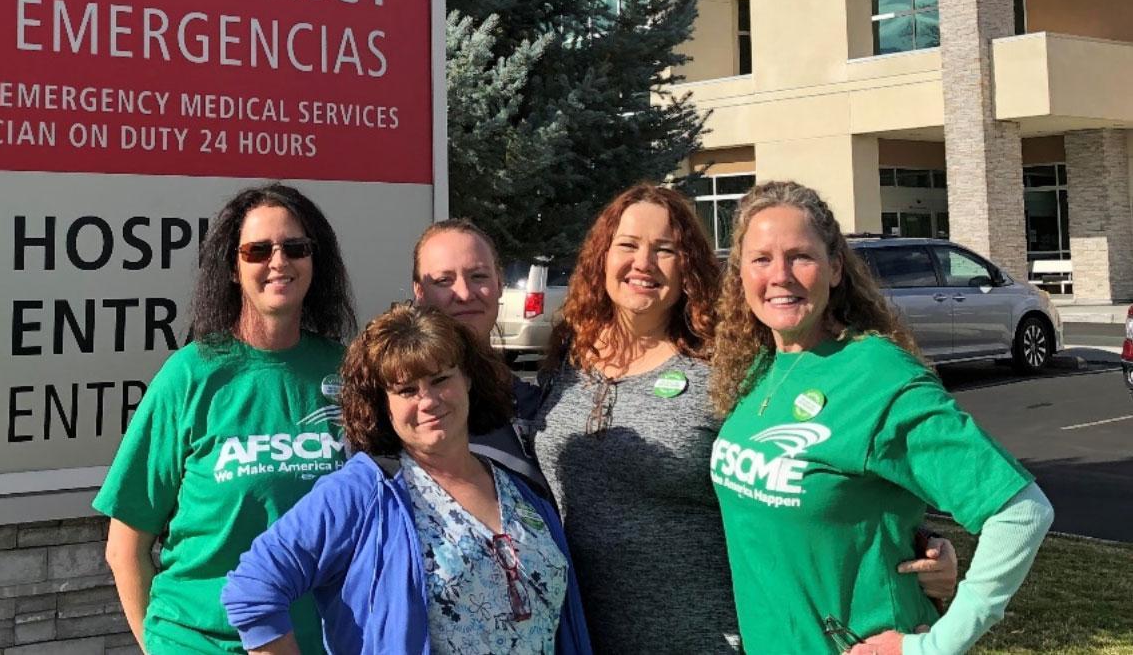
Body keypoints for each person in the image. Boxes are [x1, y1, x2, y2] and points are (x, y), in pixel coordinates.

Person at [530, 183, 960, 654]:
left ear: (689, 265)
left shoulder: (728, 364)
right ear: (602, 257)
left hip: (709, 635)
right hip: (581, 632)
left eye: (665, 250)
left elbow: (816, 467)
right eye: (628, 246)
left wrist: (921, 541)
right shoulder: (569, 356)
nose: (643, 264)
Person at [709, 181, 1053, 655]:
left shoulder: (880, 378)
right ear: (740, 274)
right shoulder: (761, 366)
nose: (780, 275)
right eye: (761, 259)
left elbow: (1020, 512)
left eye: (800, 257)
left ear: (833, 270)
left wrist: (932, 647)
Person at [221, 304, 594, 655]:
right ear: (383, 404)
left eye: (440, 379)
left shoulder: (521, 489)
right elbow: (253, 588)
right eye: (406, 390)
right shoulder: (364, 491)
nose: (428, 400)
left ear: (467, 379)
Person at [94, 183, 357, 654]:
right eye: (258, 250)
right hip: (203, 642)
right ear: (234, 268)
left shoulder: (348, 373)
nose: (278, 262)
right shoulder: (190, 375)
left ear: (315, 262)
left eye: (295, 248)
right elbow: (125, 547)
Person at [411, 218, 549, 494]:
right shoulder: (397, 403)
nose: (464, 293)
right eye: (443, 281)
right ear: (420, 293)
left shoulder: (535, 404)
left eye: (478, 276)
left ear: (499, 283)